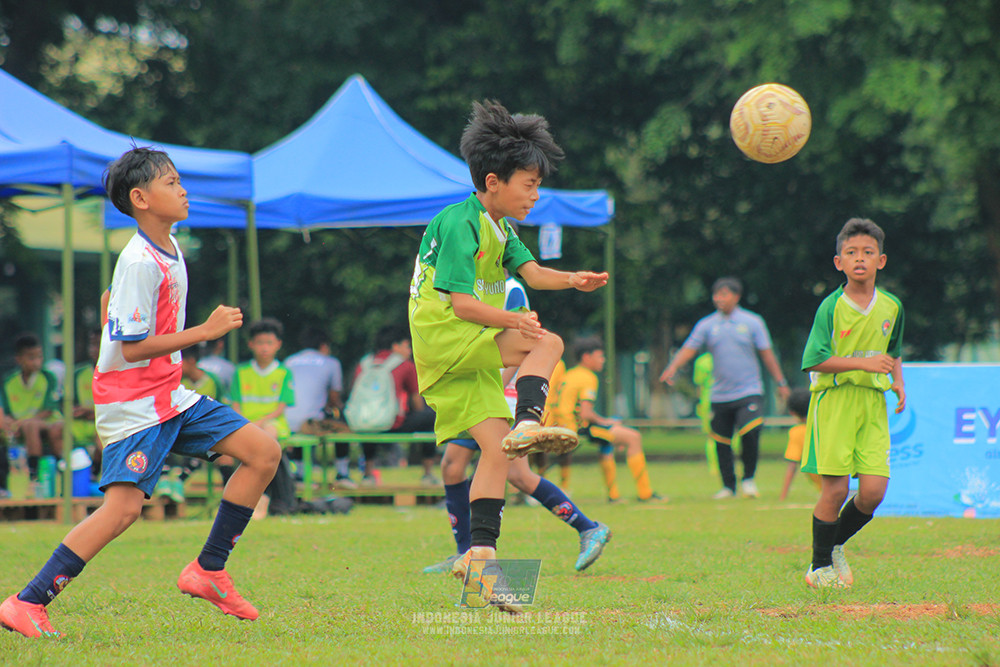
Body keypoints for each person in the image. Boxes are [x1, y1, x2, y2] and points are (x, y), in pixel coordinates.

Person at [0, 146, 281, 638]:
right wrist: (205, 331)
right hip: (134, 402)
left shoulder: (166, 250)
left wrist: (117, 311)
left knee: (262, 451)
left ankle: (209, 570)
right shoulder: (140, 260)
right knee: (124, 509)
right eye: (171, 182)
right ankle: (27, 601)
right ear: (141, 198)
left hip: (169, 393)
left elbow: (120, 312)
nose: (183, 189)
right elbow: (132, 348)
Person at [407, 99, 607, 612]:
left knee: (496, 454)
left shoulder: (501, 228)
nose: (536, 194)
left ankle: (481, 561)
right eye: (530, 183)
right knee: (549, 342)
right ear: (493, 181)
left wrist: (573, 279)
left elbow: (534, 274)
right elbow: (461, 302)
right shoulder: (459, 223)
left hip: (455, 358)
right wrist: (513, 320)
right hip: (448, 336)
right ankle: (529, 421)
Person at [424, 278, 610, 575]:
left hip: (501, 393)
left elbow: (523, 343)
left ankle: (588, 528)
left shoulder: (509, 288)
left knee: (518, 475)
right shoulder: (463, 286)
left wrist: (496, 386)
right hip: (475, 388)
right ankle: (463, 552)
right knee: (452, 465)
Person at [800, 218, 905, 588]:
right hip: (835, 402)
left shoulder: (892, 307)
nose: (859, 259)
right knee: (837, 489)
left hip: (872, 403)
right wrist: (863, 363)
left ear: (881, 260)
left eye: (867, 252)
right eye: (851, 253)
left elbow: (893, 351)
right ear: (838, 262)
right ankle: (818, 567)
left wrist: (898, 382)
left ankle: (835, 545)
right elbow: (813, 360)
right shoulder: (831, 307)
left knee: (874, 491)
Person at [659, 277, 791, 499]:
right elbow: (690, 348)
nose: (718, 299)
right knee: (721, 441)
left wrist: (781, 382)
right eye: (716, 295)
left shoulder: (752, 322)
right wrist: (672, 368)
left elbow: (766, 354)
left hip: (749, 390)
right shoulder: (707, 324)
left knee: (750, 433)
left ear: (736, 297)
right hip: (720, 394)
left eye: (724, 294)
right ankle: (728, 487)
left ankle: (748, 479)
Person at [549, 336, 665, 503]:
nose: (603, 360)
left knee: (607, 441)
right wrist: (607, 422)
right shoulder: (588, 377)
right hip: (579, 428)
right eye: (600, 356)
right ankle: (645, 493)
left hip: (562, 426)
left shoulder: (570, 374)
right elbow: (586, 413)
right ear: (586, 357)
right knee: (633, 437)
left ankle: (614, 495)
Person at [348, 325, 437, 486]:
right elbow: (416, 398)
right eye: (406, 346)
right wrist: (418, 414)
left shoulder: (364, 363)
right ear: (395, 346)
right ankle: (428, 473)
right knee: (429, 417)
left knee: (370, 425)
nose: (409, 350)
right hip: (393, 424)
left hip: (361, 423)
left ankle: (368, 474)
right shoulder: (404, 365)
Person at [230, 318, 295, 518]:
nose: (264, 348)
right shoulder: (241, 373)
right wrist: (246, 424)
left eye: (269, 343)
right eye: (260, 343)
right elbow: (236, 405)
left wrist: (255, 424)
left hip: (272, 424)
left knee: (267, 437)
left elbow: (280, 409)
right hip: (245, 424)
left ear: (278, 345)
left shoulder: (284, 373)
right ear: (251, 345)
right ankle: (233, 501)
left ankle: (261, 498)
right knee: (223, 454)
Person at [0, 332, 64, 491]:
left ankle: (34, 475)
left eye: (39, 357)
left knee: (31, 426)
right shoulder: (9, 381)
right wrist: (7, 422)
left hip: (46, 423)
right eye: (31, 358)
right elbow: (6, 410)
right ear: (19, 359)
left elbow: (49, 410)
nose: (37, 362)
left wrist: (23, 421)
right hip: (18, 426)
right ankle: (6, 485)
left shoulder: (48, 377)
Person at [283, 326, 344, 434]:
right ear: (324, 346)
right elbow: (334, 400)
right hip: (310, 424)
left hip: (284, 421)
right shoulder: (331, 363)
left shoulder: (289, 361)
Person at [778, 387, 821, 501]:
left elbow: (792, 466)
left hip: (827, 487)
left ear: (792, 412)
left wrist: (783, 496)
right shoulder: (824, 426)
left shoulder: (797, 432)